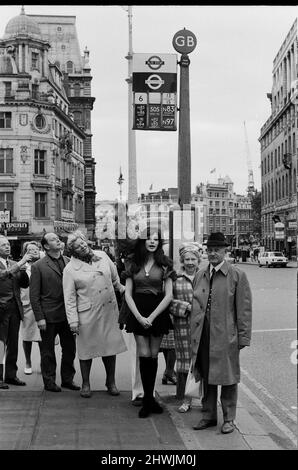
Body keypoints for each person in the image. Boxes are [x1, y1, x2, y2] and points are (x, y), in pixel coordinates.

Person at [191, 232, 252, 434]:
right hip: (203, 334)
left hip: (226, 335)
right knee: (206, 375)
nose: (212, 253)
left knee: (228, 377)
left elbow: (244, 309)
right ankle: (208, 415)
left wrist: (243, 337)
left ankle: (229, 419)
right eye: (209, 250)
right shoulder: (200, 274)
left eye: (216, 250)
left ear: (225, 251)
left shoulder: (237, 275)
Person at [62, 231, 127, 398]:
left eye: (83, 243)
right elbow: (69, 298)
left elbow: (115, 278)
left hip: (107, 310)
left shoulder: (102, 255)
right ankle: (85, 383)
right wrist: (73, 321)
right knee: (86, 350)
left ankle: (111, 382)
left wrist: (121, 289)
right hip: (87, 313)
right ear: (73, 251)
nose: (82, 246)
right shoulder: (70, 269)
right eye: (78, 246)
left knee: (109, 348)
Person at [123, 228, 175, 418]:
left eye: (156, 239)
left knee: (153, 355)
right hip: (138, 310)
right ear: (142, 241)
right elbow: (128, 293)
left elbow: (169, 295)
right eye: (148, 239)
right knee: (143, 355)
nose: (152, 242)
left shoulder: (165, 264)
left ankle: (150, 398)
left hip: (157, 311)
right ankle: (146, 400)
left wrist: (152, 317)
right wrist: (138, 317)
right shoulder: (133, 262)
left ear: (159, 243)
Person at [30, 232, 79, 392]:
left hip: (68, 315)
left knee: (70, 349)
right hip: (48, 315)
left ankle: (67, 379)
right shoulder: (38, 266)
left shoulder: (70, 261)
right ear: (45, 246)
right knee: (47, 351)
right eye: (52, 239)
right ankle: (49, 381)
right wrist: (39, 318)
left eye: (57, 238)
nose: (57, 240)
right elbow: (34, 295)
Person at [169, 242, 201, 413]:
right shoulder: (176, 279)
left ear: (198, 261)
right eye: (187, 259)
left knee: (201, 363)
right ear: (182, 260)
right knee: (184, 364)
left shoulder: (204, 277)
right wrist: (186, 307)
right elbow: (169, 302)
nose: (190, 262)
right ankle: (185, 399)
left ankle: (202, 398)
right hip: (182, 326)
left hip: (202, 327)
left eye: (193, 259)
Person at [0, 235, 33, 388]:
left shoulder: (14, 264)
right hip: (1, 308)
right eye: (3, 245)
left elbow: (25, 285)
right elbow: (2, 275)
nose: (7, 247)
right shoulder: (14, 264)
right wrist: (19, 264)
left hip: (15, 308)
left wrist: (24, 271)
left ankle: (11, 375)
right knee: (0, 344)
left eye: (8, 244)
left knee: (13, 344)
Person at [20, 241, 42, 375]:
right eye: (30, 250)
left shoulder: (43, 265)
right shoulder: (22, 267)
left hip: (40, 305)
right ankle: (28, 362)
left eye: (36, 249)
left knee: (42, 336)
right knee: (27, 336)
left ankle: (42, 362)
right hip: (26, 305)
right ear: (25, 253)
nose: (33, 251)